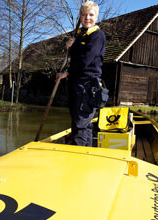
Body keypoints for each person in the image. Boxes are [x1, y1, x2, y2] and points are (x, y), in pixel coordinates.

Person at [56, 1, 106, 147]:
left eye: (91, 15)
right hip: (77, 83)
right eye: (84, 15)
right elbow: (76, 59)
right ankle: (88, 156)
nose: (87, 18)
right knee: (81, 123)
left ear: (96, 17)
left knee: (80, 124)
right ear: (80, 17)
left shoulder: (97, 36)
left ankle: (79, 159)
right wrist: (69, 48)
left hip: (87, 85)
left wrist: (74, 47)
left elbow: (85, 60)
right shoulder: (80, 35)